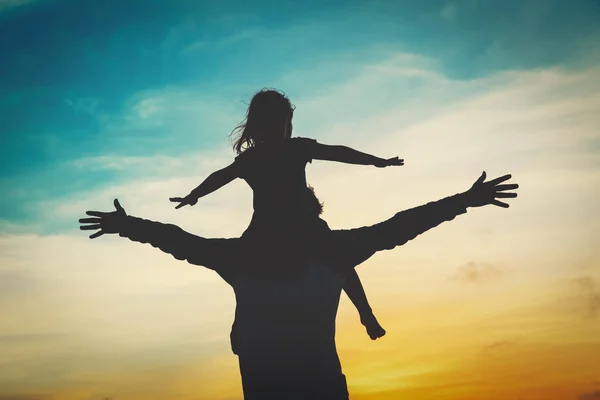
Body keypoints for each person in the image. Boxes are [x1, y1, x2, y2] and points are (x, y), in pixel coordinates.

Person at [80, 171, 518, 400]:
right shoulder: (257, 256)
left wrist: (462, 201)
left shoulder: (317, 251)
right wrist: (129, 224)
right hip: (275, 380)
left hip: (313, 381)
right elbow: (177, 240)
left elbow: (398, 226)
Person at [169, 88, 403, 340]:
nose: (284, 127)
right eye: (281, 121)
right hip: (281, 229)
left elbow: (338, 152)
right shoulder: (277, 153)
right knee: (334, 258)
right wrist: (194, 194)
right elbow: (220, 177)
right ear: (266, 124)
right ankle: (241, 324)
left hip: (282, 228)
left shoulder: (282, 151)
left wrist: (376, 160)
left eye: (285, 121)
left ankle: (365, 314)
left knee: (252, 264)